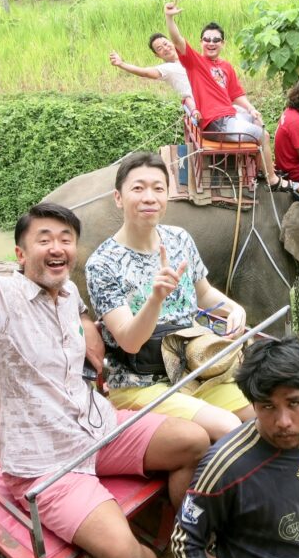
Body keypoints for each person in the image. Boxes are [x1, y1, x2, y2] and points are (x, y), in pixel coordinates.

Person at [0, 145, 210, 558]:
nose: (56, 247)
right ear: (21, 256)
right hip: (48, 464)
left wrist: (90, 334)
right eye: (43, 240)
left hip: (98, 426)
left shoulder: (68, 294)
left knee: (194, 441)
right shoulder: (0, 298)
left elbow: (82, 321)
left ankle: (182, 542)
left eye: (65, 239)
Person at [86, 152, 255, 442]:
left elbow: (204, 293)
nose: (149, 197)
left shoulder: (179, 239)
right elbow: (129, 340)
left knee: (262, 414)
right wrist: (155, 299)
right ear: (118, 197)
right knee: (228, 426)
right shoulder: (102, 264)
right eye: (138, 188)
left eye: (158, 188)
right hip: (140, 383)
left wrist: (233, 308)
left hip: (193, 367)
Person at [170, 337, 299, 558]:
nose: (283, 421)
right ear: (252, 404)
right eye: (268, 406)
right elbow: (185, 540)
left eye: (294, 403)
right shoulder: (226, 463)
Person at [163, 1, 296, 192]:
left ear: (223, 43)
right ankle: (273, 180)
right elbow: (177, 41)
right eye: (207, 39)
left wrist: (251, 109)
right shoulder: (195, 63)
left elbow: (236, 94)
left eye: (216, 40)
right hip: (217, 122)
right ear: (201, 42)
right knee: (264, 135)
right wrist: (169, 17)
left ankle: (262, 166)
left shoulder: (226, 67)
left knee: (257, 120)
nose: (211, 43)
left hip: (230, 115)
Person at [110, 33, 202, 124]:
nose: (165, 48)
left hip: (208, 96)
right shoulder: (167, 68)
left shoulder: (190, 58)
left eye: (165, 44)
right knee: (188, 100)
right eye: (159, 48)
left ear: (172, 43)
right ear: (157, 55)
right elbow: (145, 72)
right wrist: (122, 64)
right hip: (195, 104)